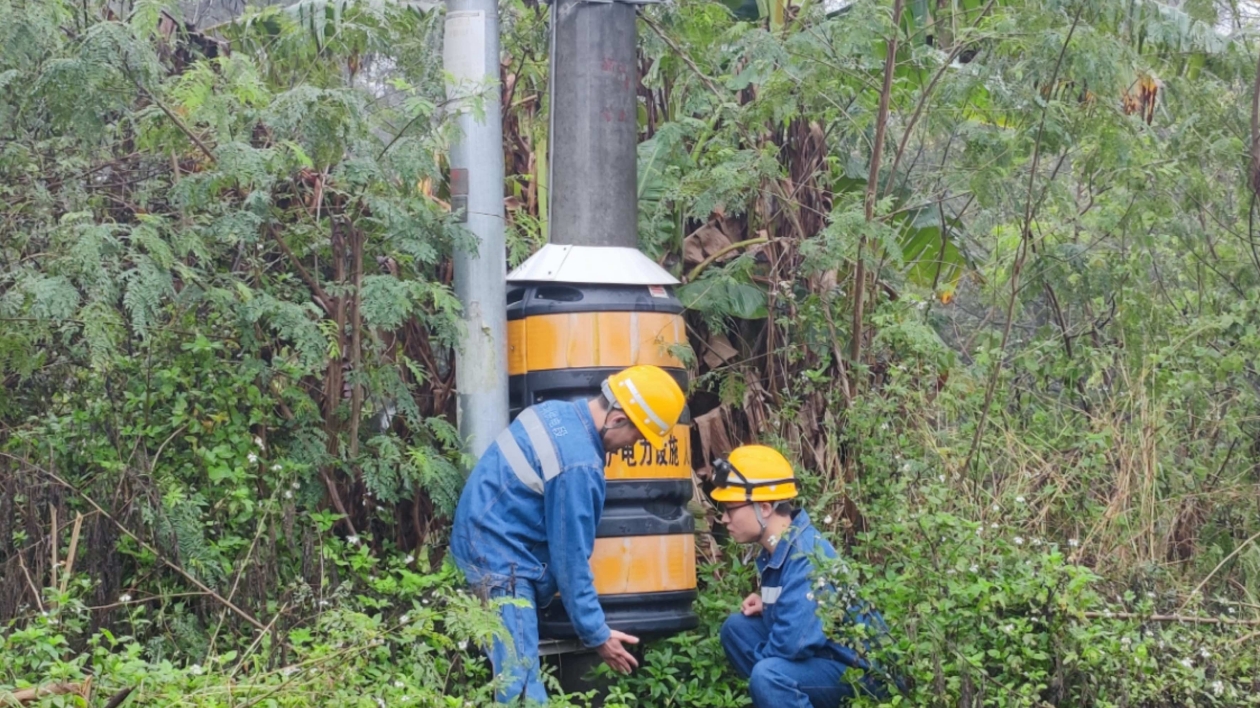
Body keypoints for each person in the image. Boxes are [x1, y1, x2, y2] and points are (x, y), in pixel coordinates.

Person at [450, 364, 687, 704]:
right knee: (521, 688)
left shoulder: (554, 412)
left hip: (477, 542)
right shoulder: (579, 465)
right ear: (618, 419)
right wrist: (597, 634)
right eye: (637, 437)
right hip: (500, 565)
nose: (631, 448)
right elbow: (570, 561)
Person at [712, 445, 890, 708]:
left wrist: (768, 672)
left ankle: (777, 694)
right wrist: (771, 605)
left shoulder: (805, 555)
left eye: (730, 508)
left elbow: (791, 645)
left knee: (768, 676)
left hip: (865, 676)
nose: (724, 519)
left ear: (764, 508)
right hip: (826, 658)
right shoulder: (782, 545)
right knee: (737, 630)